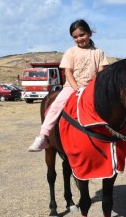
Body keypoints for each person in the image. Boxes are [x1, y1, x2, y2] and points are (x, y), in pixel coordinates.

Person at [28, 19, 110, 152]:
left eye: (82, 35)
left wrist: (92, 87)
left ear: (90, 33)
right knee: (56, 105)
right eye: (75, 37)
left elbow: (101, 72)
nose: (79, 39)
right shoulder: (70, 52)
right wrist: (76, 88)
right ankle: (43, 136)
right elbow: (68, 72)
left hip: (92, 87)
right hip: (72, 87)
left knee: (111, 104)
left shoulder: (98, 53)